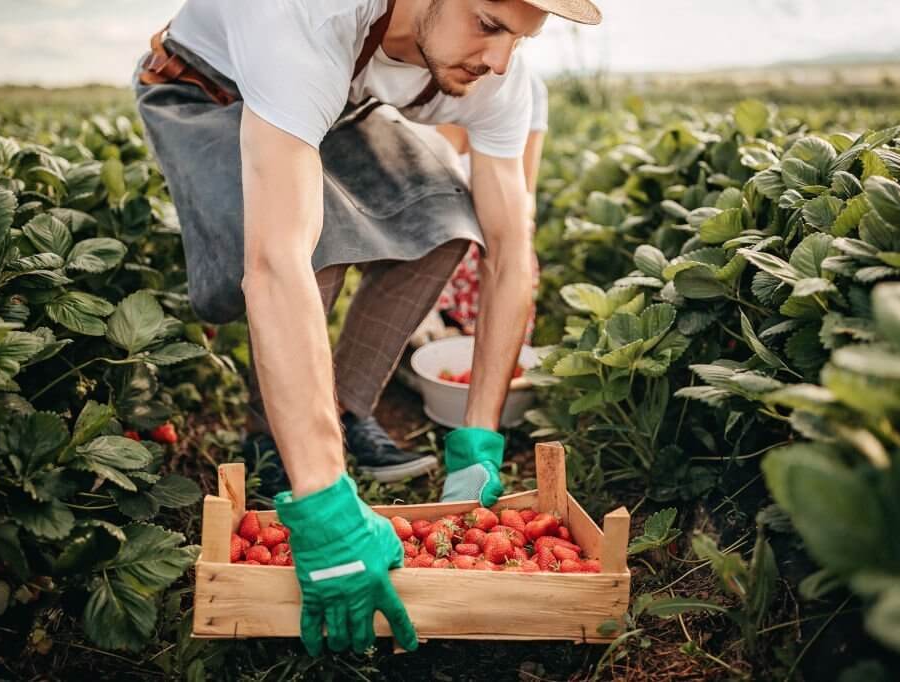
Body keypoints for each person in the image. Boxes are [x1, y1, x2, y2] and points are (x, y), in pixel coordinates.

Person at [132, 0, 601, 656]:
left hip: (337, 100)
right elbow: (275, 263)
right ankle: (279, 445)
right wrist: (324, 504)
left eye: (519, 40)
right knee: (308, 245)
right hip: (205, 91)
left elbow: (509, 246)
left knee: (447, 221)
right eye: (489, 24)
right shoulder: (309, 14)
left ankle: (342, 411)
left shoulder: (494, 75)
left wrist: (480, 433)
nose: (499, 60)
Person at [412, 64, 547, 346]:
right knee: (417, 347)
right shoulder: (415, 86)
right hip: (421, 243)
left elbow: (526, 196)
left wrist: (509, 244)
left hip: (486, 245)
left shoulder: (526, 87)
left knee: (489, 344)